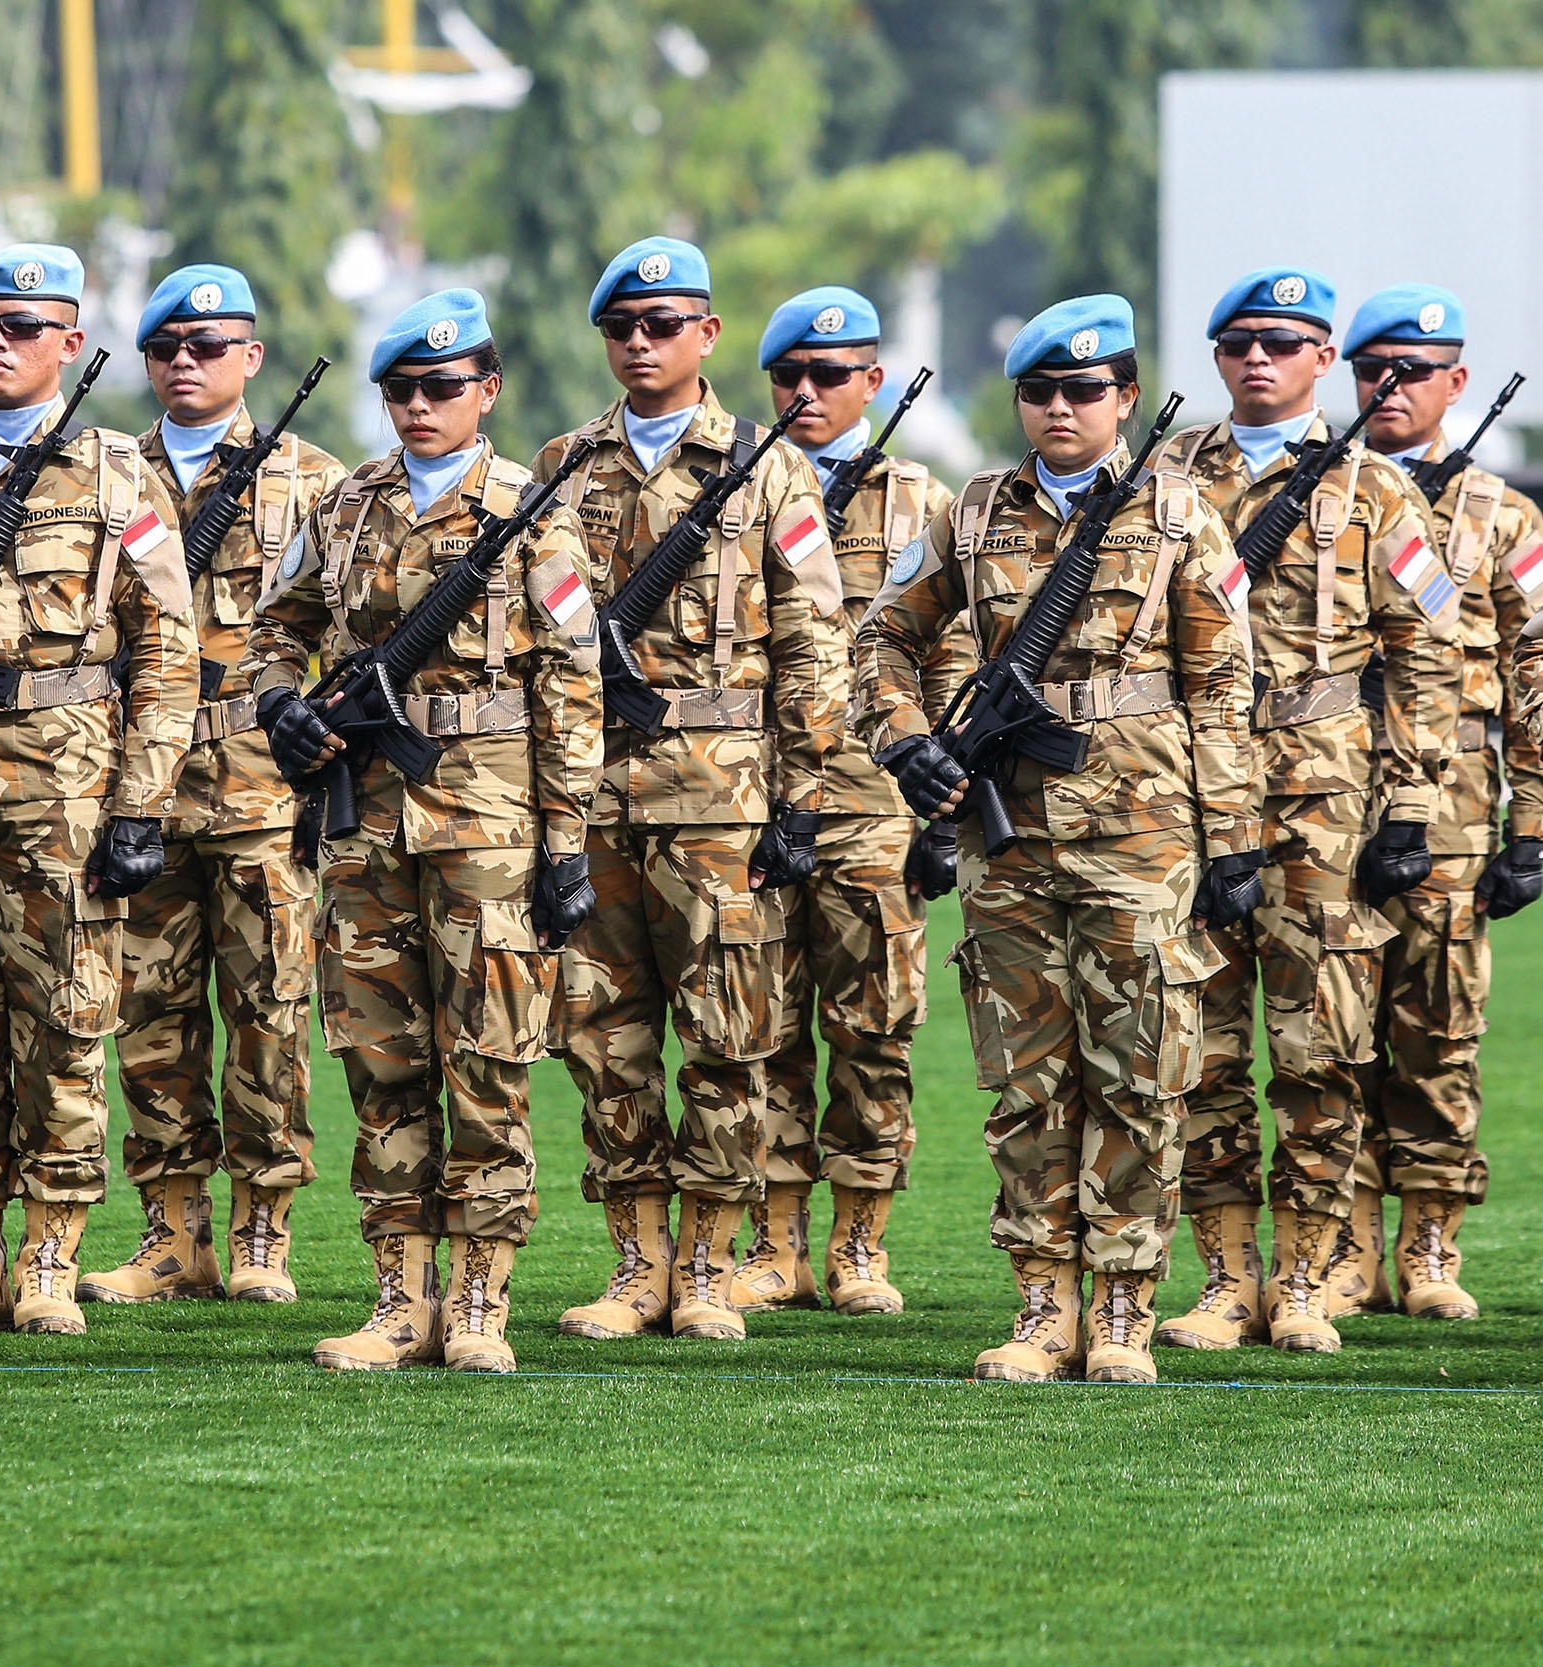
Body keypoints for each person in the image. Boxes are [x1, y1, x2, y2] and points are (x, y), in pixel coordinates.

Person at [856, 294, 1260, 1384]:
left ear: (1125, 398)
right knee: (1027, 1080)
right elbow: (881, 639)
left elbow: (1223, 687)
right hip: (1012, 845)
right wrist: (905, 744)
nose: (1059, 408)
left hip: (1142, 840)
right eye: (1039, 390)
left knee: (1138, 1078)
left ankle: (1123, 1306)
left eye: (1084, 390)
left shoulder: (1178, 513)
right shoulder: (973, 512)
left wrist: (1232, 839)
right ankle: (1042, 1304)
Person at [247, 287, 604, 1373]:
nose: (418, 406)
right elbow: (274, 625)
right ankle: (400, 1300)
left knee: (488, 1060)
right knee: (380, 1059)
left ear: (484, 392)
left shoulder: (531, 509)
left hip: (489, 819)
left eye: (441, 388)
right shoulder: (348, 505)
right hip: (367, 825)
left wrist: (565, 838)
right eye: (399, 389)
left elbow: (574, 677)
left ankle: (481, 1301)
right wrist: (279, 701)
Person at [533, 242, 848, 1345]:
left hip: (722, 798)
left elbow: (814, 644)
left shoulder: (768, 469)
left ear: (706, 335)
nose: (637, 342)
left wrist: (803, 798)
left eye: (661, 323)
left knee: (728, 1036)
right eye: (621, 325)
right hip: (593, 791)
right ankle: (636, 1266)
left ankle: (709, 1266)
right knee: (602, 1037)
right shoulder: (563, 464)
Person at [1153, 268, 1455, 1355]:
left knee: (1321, 1047)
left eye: (1282, 343)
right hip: (1188, 795)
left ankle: (1308, 1276)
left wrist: (1410, 807)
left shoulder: (1376, 490)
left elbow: (1429, 653)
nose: (1256, 360)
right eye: (1236, 342)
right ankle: (1227, 1279)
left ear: (1322, 358)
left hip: (1322, 799)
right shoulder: (1161, 476)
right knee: (1201, 1045)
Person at [0, 244, 199, 1335]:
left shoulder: (119, 474)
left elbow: (169, 650)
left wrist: (142, 803)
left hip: (70, 775)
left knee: (67, 1017)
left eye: (22, 327)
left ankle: (50, 1256)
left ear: (69, 344)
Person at [80, 263, 345, 1307]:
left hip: (259, 787)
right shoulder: (102, 473)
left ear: (252, 358)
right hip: (134, 784)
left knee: (270, 1007)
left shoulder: (315, 482)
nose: (183, 364)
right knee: (149, 1011)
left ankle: (263, 1232)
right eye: (164, 350)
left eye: (206, 347)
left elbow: (347, 630)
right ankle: (171, 1232)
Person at [751, 284, 960, 1317]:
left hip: (875, 803)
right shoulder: (739, 486)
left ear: (872, 383)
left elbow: (954, 656)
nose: (805, 391)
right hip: (749, 800)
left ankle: (861, 1242)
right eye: (786, 376)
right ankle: (774, 1239)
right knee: (756, 1028)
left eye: (828, 376)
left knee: (873, 1026)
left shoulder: (922, 503)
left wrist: (943, 812)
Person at [1344, 284, 1542, 1321]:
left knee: (1437, 1028)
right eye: (1370, 370)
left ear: (1455, 383)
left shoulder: (1502, 514)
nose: (1388, 388)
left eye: (1411, 371)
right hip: (1324, 798)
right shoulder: (1313, 499)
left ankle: (1428, 1242)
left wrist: (1534, 826)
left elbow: (1536, 669)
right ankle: (1342, 1247)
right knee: (1326, 1036)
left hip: (1456, 811)